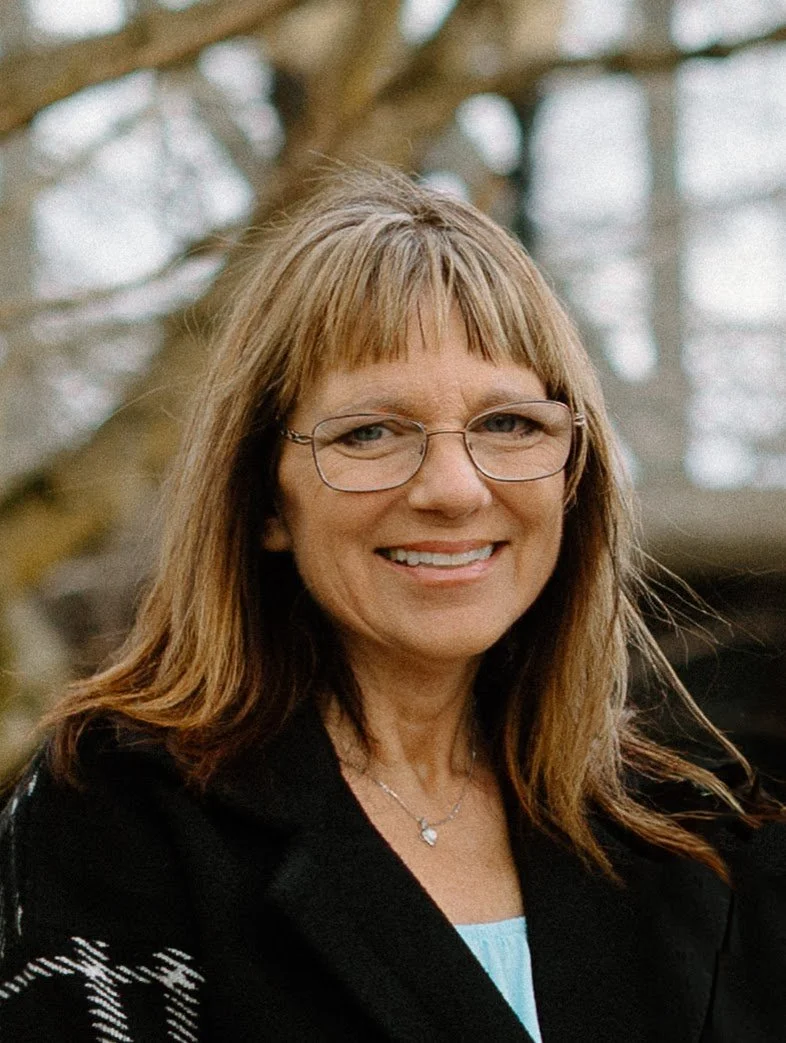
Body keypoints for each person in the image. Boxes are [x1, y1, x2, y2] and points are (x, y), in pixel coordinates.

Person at [0, 168, 783, 1043]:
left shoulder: (690, 843)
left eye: (509, 424)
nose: (453, 488)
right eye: (370, 431)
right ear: (264, 499)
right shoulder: (121, 810)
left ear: (574, 477)